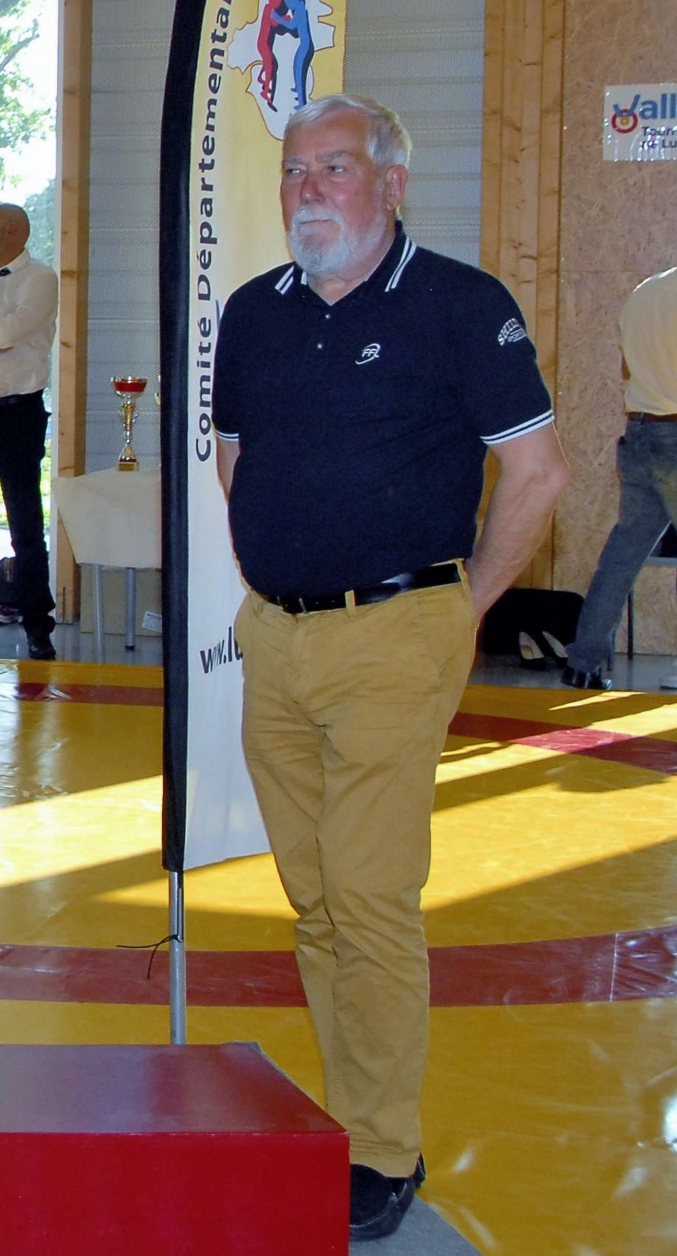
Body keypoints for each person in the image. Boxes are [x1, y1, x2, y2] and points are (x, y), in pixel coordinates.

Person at [212, 93, 568, 1241]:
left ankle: (380, 1145)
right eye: (294, 170)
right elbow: (234, 461)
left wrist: (463, 606)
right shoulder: (251, 313)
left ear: (391, 181)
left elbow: (539, 473)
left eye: (334, 167)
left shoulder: (460, 304)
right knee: (316, 897)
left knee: (366, 894)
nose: (308, 189)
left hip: (398, 627)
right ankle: (352, 1115)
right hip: (276, 634)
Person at [562, 263, 677, 690]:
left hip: (640, 432)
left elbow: (629, 365)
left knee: (623, 554)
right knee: (624, 552)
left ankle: (583, 664)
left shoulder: (646, 290)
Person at [0, 201, 59, 661]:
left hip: (18, 414)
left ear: (13, 233)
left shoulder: (39, 279)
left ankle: (38, 625)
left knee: (24, 524)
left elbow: (5, 334)